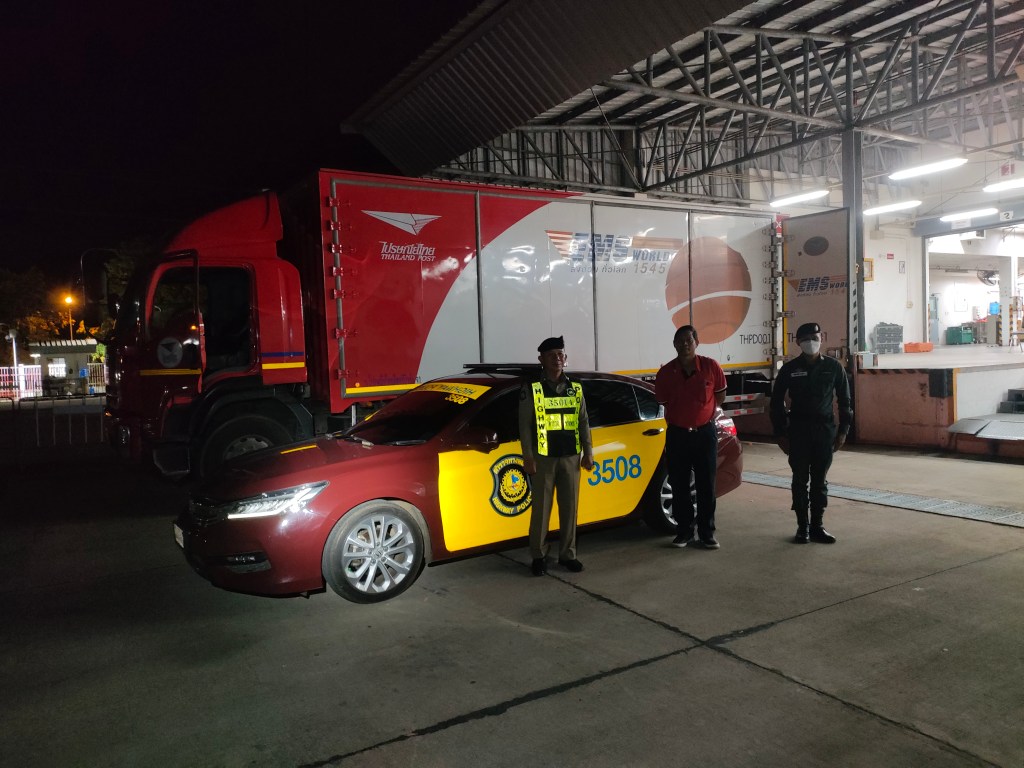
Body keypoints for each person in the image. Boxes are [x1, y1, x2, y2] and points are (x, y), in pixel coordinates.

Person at [770, 322, 853, 544]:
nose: (811, 342)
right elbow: (776, 403)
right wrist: (780, 434)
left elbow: (845, 402)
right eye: (806, 339)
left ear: (821, 338)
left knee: (819, 481)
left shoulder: (834, 367)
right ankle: (802, 527)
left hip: (824, 431)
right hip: (798, 432)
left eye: (814, 338)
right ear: (798, 342)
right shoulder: (789, 369)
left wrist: (843, 431)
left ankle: (817, 526)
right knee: (799, 481)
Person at [518, 336, 595, 576]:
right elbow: (524, 426)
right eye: (551, 355)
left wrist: (588, 452)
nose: (557, 359)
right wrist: (528, 457)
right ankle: (538, 555)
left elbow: (583, 422)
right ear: (541, 359)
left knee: (570, 509)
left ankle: (567, 555)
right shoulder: (532, 388)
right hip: (543, 458)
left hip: (571, 457)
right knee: (541, 510)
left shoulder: (576, 388)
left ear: (565, 358)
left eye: (560, 354)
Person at [654, 325, 727, 549]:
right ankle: (684, 532)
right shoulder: (666, 373)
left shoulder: (711, 367)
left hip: (704, 434)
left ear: (696, 342)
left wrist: (701, 415)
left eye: (689, 340)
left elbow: (720, 396)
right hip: (678, 435)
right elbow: (664, 402)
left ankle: (707, 533)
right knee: (679, 485)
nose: (684, 344)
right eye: (680, 341)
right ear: (674, 344)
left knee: (706, 485)